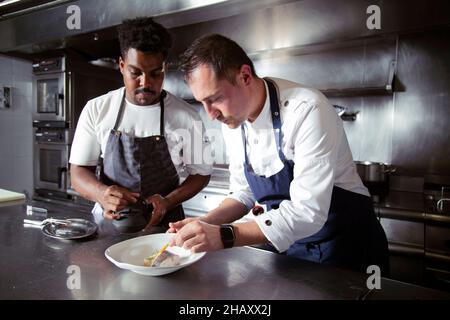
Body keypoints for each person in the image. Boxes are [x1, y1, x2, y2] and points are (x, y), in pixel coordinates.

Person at [170, 34, 389, 275]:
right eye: (203, 102)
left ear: (244, 76)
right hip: (293, 247)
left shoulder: (307, 109)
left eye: (215, 99)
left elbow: (308, 212)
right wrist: (205, 223)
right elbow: (244, 191)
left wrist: (225, 235)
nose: (210, 114)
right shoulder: (233, 122)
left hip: (345, 245)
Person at [69, 17, 212, 230]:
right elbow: (78, 172)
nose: (145, 83)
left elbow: (201, 174)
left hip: (166, 228)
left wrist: (168, 201)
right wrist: (102, 193)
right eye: (135, 73)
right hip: (109, 225)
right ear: (121, 65)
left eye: (155, 73)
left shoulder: (187, 116)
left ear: (164, 68)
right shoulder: (97, 109)